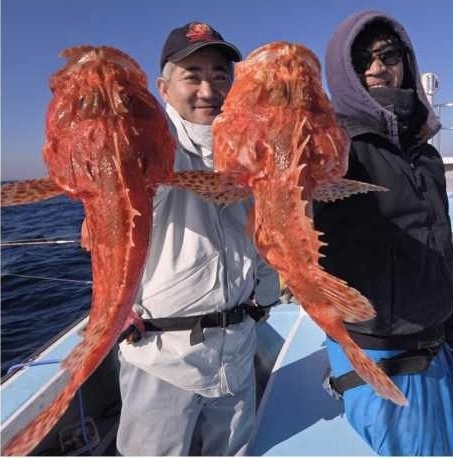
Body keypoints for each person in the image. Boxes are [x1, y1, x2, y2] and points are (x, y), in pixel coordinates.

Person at [115, 22, 280, 456]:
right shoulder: (147, 146)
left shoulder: (250, 151)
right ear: (163, 89)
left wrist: (266, 293)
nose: (209, 90)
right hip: (163, 359)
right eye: (193, 76)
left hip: (237, 350)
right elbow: (113, 227)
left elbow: (264, 233)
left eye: (220, 76)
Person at [314, 10, 453, 455]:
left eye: (389, 55)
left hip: (437, 340)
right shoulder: (332, 148)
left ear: (406, 62)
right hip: (381, 352)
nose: (376, 67)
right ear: (343, 72)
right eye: (360, 59)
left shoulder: (424, 153)